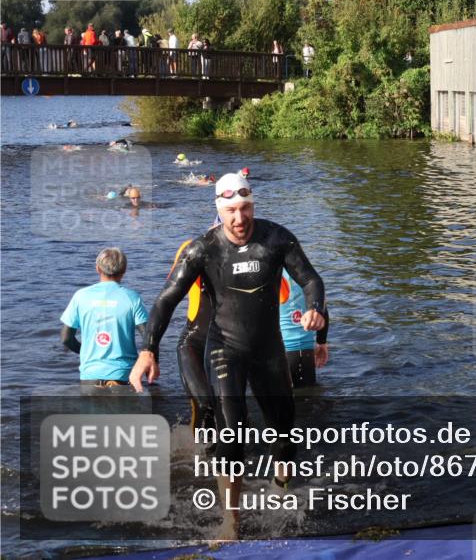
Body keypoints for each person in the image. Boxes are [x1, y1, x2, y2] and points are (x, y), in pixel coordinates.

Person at [130, 172, 326, 539]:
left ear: (254, 206)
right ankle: (231, 522)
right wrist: (147, 350)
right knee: (231, 435)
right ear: (219, 211)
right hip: (224, 351)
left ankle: (280, 495)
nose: (240, 219)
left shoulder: (277, 238)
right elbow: (166, 300)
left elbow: (311, 279)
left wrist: (315, 307)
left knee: (285, 433)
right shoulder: (203, 249)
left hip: (268, 350)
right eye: (231, 211)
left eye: (245, 208)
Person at [60, 248, 148, 388]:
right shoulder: (132, 298)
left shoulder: (80, 296)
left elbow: (66, 338)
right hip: (125, 376)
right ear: (124, 270)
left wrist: (84, 351)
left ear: (97, 268)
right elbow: (148, 337)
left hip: (90, 377)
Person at [170, 236, 217, 446]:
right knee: (204, 403)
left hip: (227, 345)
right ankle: (199, 456)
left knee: (230, 408)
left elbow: (280, 297)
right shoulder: (193, 249)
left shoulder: (246, 261)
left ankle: (222, 457)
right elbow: (171, 289)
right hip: (193, 343)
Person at [279, 270, 329, 387]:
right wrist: (321, 342)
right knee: (307, 400)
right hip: (305, 351)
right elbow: (322, 310)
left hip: (278, 351)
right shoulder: (309, 276)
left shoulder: (265, 271)